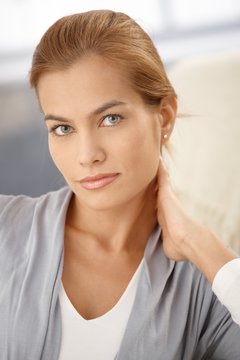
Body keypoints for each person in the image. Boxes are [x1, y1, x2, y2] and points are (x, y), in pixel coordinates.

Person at [0, 9, 240, 360]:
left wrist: (198, 243)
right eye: (63, 128)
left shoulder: (206, 287)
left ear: (165, 117)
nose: (87, 156)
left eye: (110, 119)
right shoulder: (5, 231)